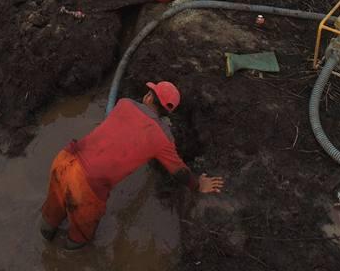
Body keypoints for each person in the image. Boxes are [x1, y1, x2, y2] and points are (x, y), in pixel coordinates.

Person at [40, 81, 224, 249]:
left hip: (65, 158)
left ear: (149, 96)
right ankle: (66, 255)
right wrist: (198, 185)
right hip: (87, 185)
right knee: (81, 234)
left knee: (53, 207)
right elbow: (179, 172)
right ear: (167, 112)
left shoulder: (124, 103)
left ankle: (46, 236)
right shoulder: (163, 138)